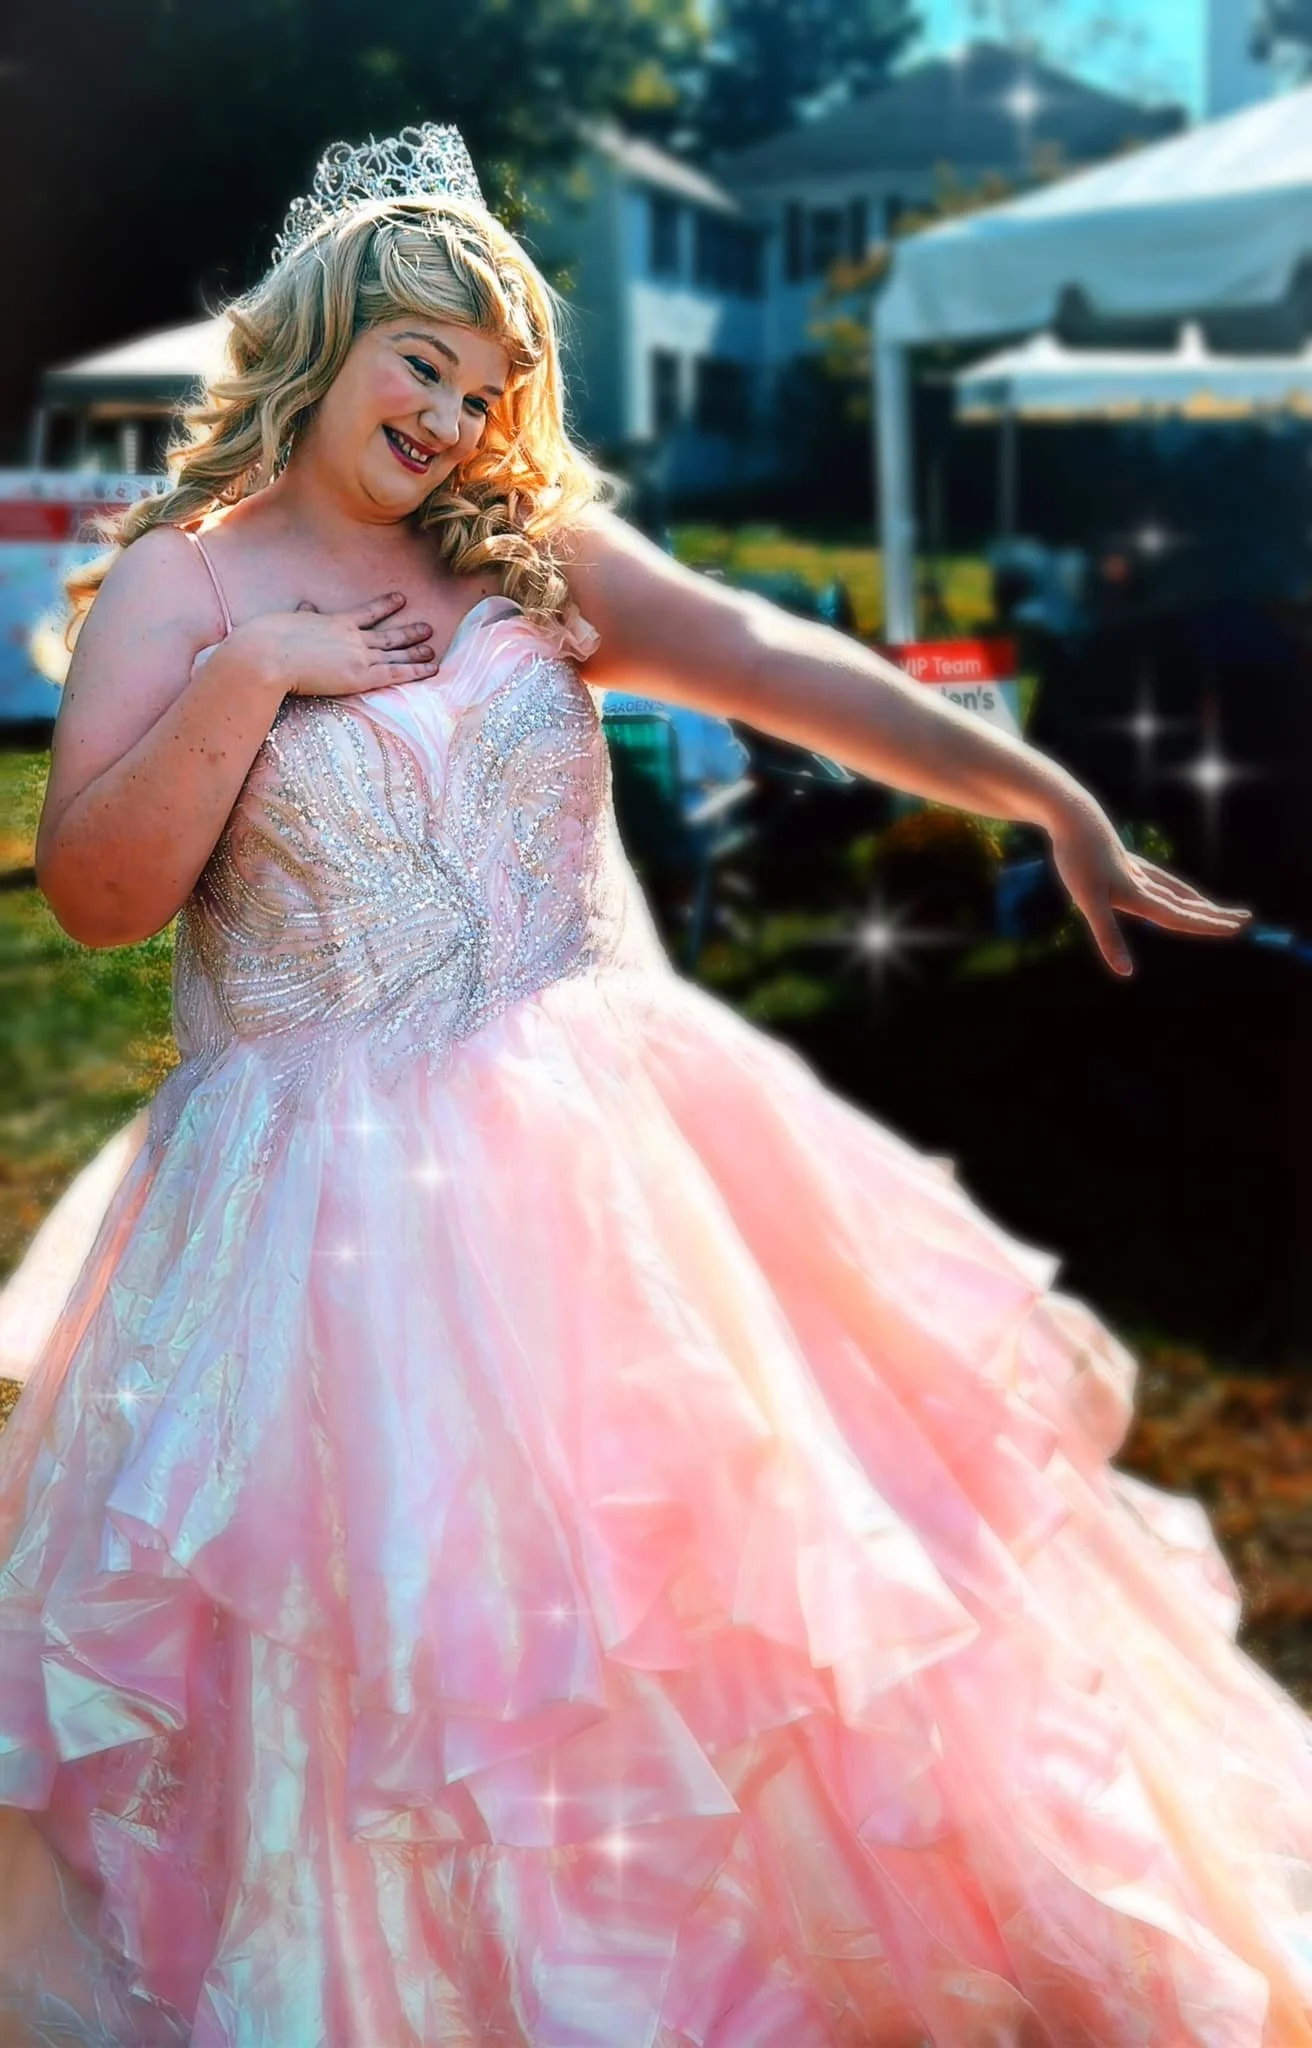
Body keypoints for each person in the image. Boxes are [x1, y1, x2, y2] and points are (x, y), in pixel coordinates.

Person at [0, 124, 1308, 2048]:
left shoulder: (528, 560)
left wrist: (1044, 792)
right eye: (421, 364)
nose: (452, 418)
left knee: (704, 1622)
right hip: (311, 1243)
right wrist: (250, 676)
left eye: (486, 388)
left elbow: (774, 657)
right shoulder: (177, 592)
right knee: (385, 1672)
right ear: (324, 339)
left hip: (605, 1175)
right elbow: (99, 897)